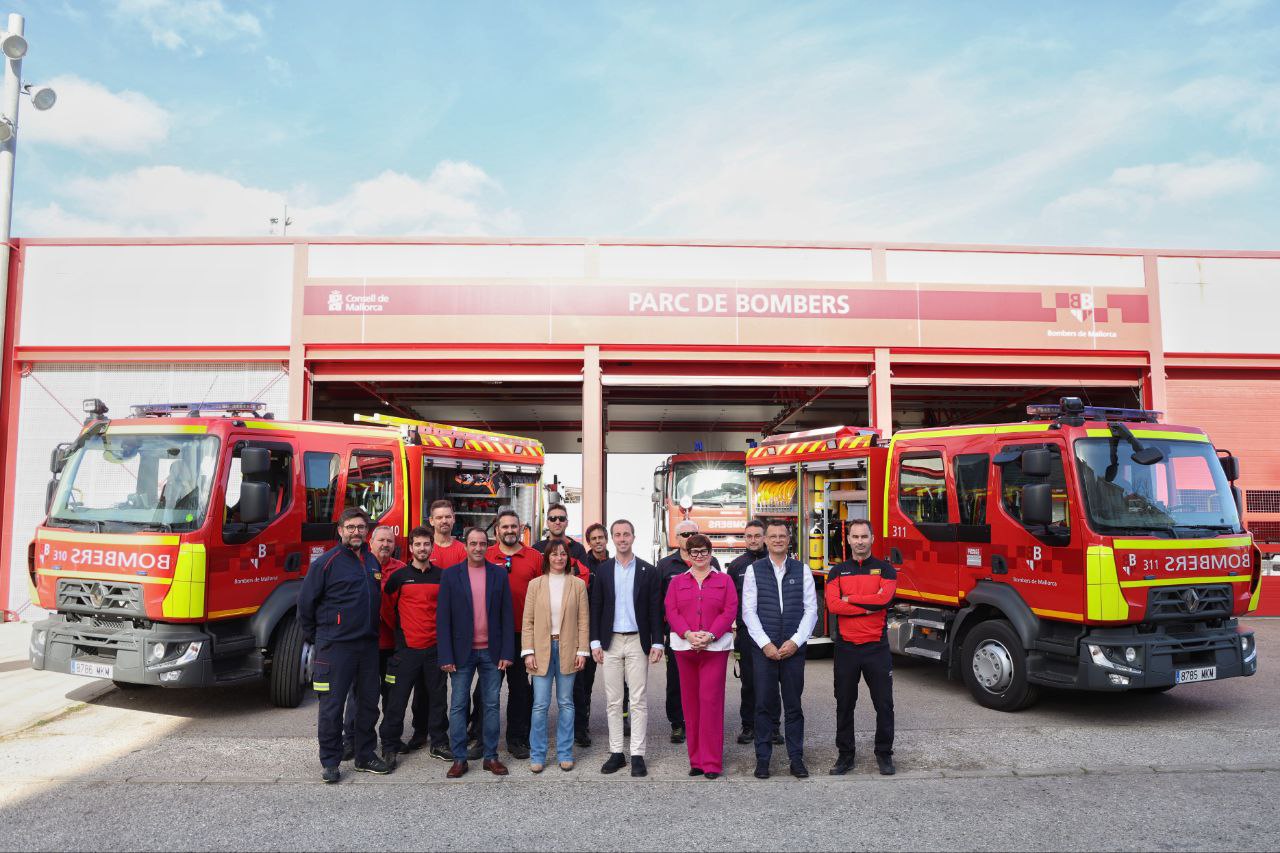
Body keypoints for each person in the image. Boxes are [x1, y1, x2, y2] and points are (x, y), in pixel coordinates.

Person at [297, 507, 393, 783]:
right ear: (340, 530)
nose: (356, 532)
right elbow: (305, 604)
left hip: (367, 647)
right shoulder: (326, 563)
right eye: (350, 527)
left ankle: (364, 754)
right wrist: (319, 636)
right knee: (332, 706)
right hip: (335, 647)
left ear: (367, 531)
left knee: (367, 703)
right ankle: (330, 761)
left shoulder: (372, 562)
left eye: (361, 527)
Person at [741, 521, 817, 780]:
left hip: (793, 649)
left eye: (781, 536)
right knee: (763, 705)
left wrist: (796, 641)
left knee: (794, 706)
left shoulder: (803, 570)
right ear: (765, 540)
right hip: (765, 650)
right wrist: (765, 644)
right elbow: (748, 612)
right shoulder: (754, 571)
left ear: (789, 539)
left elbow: (811, 610)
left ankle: (796, 759)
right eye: (771, 536)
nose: (776, 540)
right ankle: (763, 760)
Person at [438, 527, 514, 778]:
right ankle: (459, 758)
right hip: (462, 653)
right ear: (466, 546)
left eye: (483, 544)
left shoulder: (499, 574)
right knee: (458, 705)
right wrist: (446, 655)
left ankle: (491, 756)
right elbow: (443, 619)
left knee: (491, 705)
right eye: (473, 543)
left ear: (487, 545)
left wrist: (507, 652)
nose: (478, 548)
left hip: (491, 653)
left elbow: (506, 615)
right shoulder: (450, 576)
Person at [589, 519, 663, 777]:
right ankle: (616, 752)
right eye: (617, 535)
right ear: (612, 539)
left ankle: (637, 755)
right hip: (610, 641)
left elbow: (655, 609)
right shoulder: (604, 570)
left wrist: (657, 641)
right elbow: (596, 606)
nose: (622, 539)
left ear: (633, 537)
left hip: (637, 641)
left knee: (638, 700)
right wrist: (595, 642)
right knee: (613, 700)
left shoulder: (648, 571)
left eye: (626, 534)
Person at [825, 519, 898, 776]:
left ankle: (884, 754)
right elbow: (834, 606)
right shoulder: (837, 572)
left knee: (884, 705)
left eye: (864, 536)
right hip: (846, 648)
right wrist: (868, 606)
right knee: (844, 704)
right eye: (855, 537)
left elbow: (884, 600)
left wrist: (852, 600)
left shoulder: (886, 570)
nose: (859, 541)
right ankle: (845, 756)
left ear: (872, 538)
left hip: (876, 648)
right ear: (848, 540)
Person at [664, 533, 738, 780]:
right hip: (685, 649)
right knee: (691, 705)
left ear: (710, 553)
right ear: (687, 554)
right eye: (694, 552)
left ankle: (712, 762)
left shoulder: (724, 580)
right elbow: (671, 611)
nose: (699, 557)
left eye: (703, 552)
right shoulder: (677, 582)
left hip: (714, 649)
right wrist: (687, 634)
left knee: (711, 704)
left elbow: (729, 611)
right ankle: (695, 760)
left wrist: (711, 635)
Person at [379, 526, 452, 765]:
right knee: (397, 701)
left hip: (435, 650)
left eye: (426, 544)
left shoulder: (442, 576)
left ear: (432, 547)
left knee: (438, 699)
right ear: (411, 548)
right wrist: (402, 634)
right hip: (407, 650)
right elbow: (387, 611)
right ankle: (390, 747)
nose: (422, 548)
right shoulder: (398, 577)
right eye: (418, 544)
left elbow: (447, 611)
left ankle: (439, 742)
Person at [521, 540, 590, 772]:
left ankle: (565, 752)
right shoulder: (535, 585)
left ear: (568, 557)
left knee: (566, 703)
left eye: (563, 554)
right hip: (540, 649)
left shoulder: (577, 585)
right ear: (547, 558)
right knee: (540, 705)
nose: (559, 558)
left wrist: (582, 650)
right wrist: (528, 651)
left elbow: (583, 620)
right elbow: (527, 621)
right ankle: (538, 755)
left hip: (567, 647)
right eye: (554, 554)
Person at [481, 509, 543, 760]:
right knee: (487, 690)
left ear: (521, 529)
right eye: (504, 527)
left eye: (513, 527)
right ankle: (484, 739)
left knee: (520, 689)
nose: (509, 531)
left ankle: (517, 739)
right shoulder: (484, 555)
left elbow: (543, 595)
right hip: (491, 635)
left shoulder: (535, 557)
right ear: (496, 530)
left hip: (523, 633)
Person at [341, 524, 405, 760]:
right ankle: (351, 740)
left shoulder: (401, 571)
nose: (385, 545)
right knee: (359, 696)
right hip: (364, 647)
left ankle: (391, 739)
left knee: (392, 697)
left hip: (391, 649)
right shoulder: (361, 565)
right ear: (371, 541)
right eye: (381, 541)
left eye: (390, 541)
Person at [656, 519, 721, 744]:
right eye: (684, 535)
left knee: (706, 683)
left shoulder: (714, 563)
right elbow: (661, 604)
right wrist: (660, 635)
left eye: (693, 533)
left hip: (708, 637)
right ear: (677, 539)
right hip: (677, 635)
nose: (688, 537)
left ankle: (702, 722)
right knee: (676, 680)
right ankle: (677, 723)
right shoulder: (665, 565)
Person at [725, 519, 768, 745]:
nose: (753, 540)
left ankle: (773, 727)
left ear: (764, 537)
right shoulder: (736, 566)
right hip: (746, 632)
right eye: (749, 536)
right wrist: (732, 630)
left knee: (771, 680)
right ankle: (749, 726)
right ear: (745, 538)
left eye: (757, 536)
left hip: (772, 631)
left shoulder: (775, 560)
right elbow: (730, 602)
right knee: (749, 682)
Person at [575, 522, 610, 746]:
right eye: (594, 538)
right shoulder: (582, 565)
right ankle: (582, 725)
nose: (598, 541)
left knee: (622, 679)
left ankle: (624, 719)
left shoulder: (616, 564)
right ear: (589, 542)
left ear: (606, 540)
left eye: (601, 537)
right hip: (587, 627)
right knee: (584, 680)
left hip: (610, 625)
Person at [428, 499, 467, 570]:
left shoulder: (463, 550)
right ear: (431, 521)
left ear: (454, 518)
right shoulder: (424, 549)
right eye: (439, 518)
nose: (444, 521)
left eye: (448, 517)